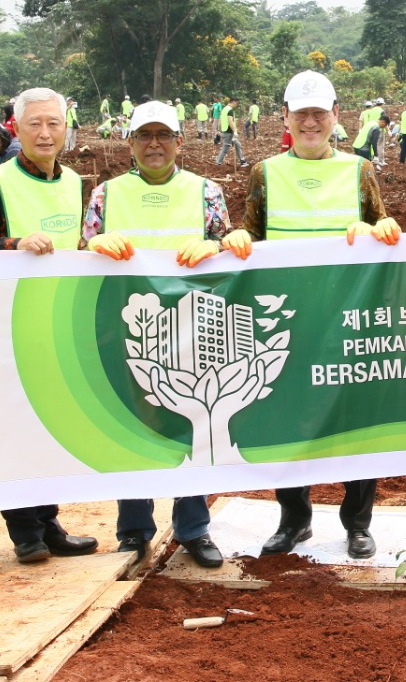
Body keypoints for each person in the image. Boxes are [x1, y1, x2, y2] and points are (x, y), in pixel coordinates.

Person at [232, 70, 401, 560]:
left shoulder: (359, 170)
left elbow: (381, 228)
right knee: (288, 423)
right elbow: (251, 232)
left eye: (319, 113)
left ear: (335, 117)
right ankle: (294, 519)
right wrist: (237, 240)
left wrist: (385, 227)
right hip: (284, 322)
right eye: (300, 113)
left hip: (349, 322)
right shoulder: (264, 172)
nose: (310, 122)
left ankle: (358, 522)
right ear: (284, 117)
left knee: (358, 422)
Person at [82, 100, 240, 569]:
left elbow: (227, 244)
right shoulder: (105, 196)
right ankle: (134, 530)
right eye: (145, 136)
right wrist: (91, 245)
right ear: (130, 143)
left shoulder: (206, 191)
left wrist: (214, 244)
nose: (155, 144)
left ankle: (194, 528)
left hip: (191, 327)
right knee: (132, 427)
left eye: (164, 136)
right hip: (126, 328)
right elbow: (80, 255)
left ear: (179, 141)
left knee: (188, 425)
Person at [0, 87, 100, 564]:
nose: (44, 132)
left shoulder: (73, 180)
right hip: (5, 324)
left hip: (54, 323)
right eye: (34, 123)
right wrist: (13, 244)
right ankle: (25, 532)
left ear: (65, 129)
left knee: (49, 425)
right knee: (15, 426)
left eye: (53, 123)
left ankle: (49, 521)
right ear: (16, 127)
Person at [215, 98, 249, 168]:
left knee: (237, 145)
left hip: (225, 131)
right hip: (229, 132)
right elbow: (230, 121)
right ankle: (218, 163)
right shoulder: (230, 110)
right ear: (234, 102)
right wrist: (235, 131)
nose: (236, 105)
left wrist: (218, 130)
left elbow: (220, 120)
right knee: (225, 148)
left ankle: (242, 161)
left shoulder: (224, 109)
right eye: (236, 103)